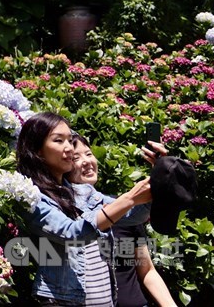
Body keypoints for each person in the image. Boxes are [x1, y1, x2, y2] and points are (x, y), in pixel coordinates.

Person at [16, 111, 152, 306]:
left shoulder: (83, 192)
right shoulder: (32, 198)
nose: (69, 148)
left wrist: (160, 173)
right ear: (37, 150)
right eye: (58, 141)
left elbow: (136, 214)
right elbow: (72, 233)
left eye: (70, 141)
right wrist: (129, 198)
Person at [69, 133, 177, 307]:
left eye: (88, 154)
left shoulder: (125, 208)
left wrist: (162, 171)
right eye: (76, 157)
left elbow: (147, 270)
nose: (87, 161)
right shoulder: (61, 215)